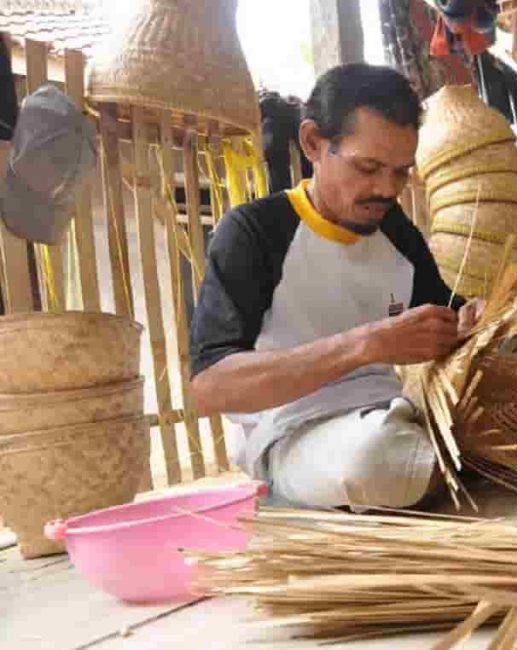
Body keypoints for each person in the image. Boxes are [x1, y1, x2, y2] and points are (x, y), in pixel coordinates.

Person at [189, 64, 482, 509]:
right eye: (368, 167)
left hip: (394, 414)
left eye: (402, 172)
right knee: (376, 460)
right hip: (295, 433)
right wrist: (369, 344)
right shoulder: (255, 233)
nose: (387, 189)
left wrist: (471, 320)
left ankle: (439, 461)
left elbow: (447, 314)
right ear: (313, 143)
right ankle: (450, 464)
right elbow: (210, 388)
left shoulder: (395, 231)